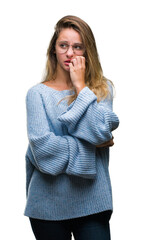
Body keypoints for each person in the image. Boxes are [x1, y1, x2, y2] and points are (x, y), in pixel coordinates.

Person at [24, 15, 119, 240]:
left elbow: (99, 131)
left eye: (77, 47)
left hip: (93, 203)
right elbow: (43, 151)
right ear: (53, 50)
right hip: (46, 207)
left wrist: (80, 87)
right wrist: (89, 149)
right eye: (63, 45)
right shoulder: (36, 94)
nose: (69, 53)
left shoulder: (101, 89)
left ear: (87, 52)